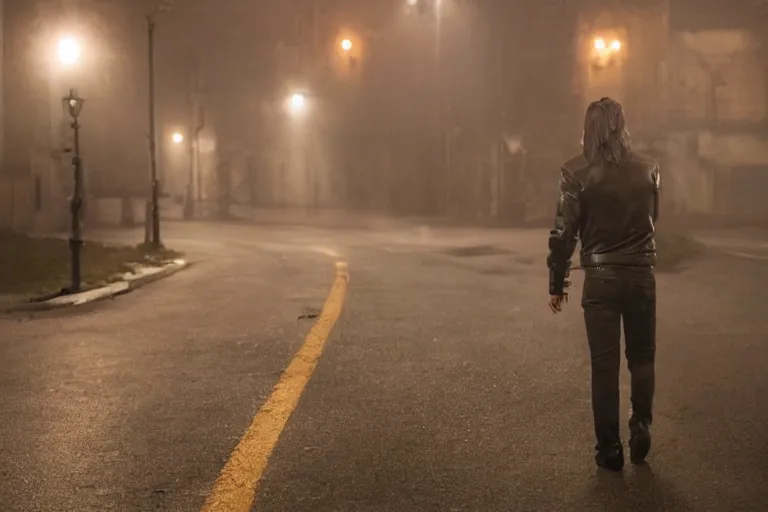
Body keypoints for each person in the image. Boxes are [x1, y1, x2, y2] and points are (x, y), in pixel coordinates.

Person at [546, 97, 660, 471]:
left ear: (588, 128)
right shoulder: (648, 169)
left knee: (605, 367)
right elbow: (652, 219)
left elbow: (565, 232)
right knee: (642, 357)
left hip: (600, 280)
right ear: (622, 126)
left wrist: (557, 279)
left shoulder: (575, 172)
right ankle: (641, 424)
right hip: (641, 276)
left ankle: (609, 450)